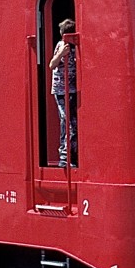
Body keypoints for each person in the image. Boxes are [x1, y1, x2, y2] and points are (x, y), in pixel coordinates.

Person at [48, 18, 78, 168]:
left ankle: (73, 154)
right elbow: (52, 64)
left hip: (73, 88)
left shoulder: (77, 46)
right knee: (67, 122)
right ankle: (64, 157)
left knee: (73, 123)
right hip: (61, 90)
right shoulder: (61, 45)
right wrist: (61, 53)